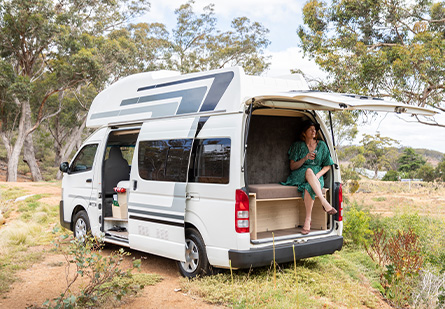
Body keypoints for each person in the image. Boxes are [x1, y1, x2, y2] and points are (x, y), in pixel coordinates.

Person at [281, 120, 337, 235]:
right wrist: (305, 158)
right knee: (308, 170)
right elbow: (292, 166)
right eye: (311, 129)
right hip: (299, 174)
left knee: (309, 186)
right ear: (304, 132)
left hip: (317, 175)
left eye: (315, 129)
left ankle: (308, 220)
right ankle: (324, 202)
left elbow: (327, 166)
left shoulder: (321, 145)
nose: (314, 131)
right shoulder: (297, 145)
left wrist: (317, 175)